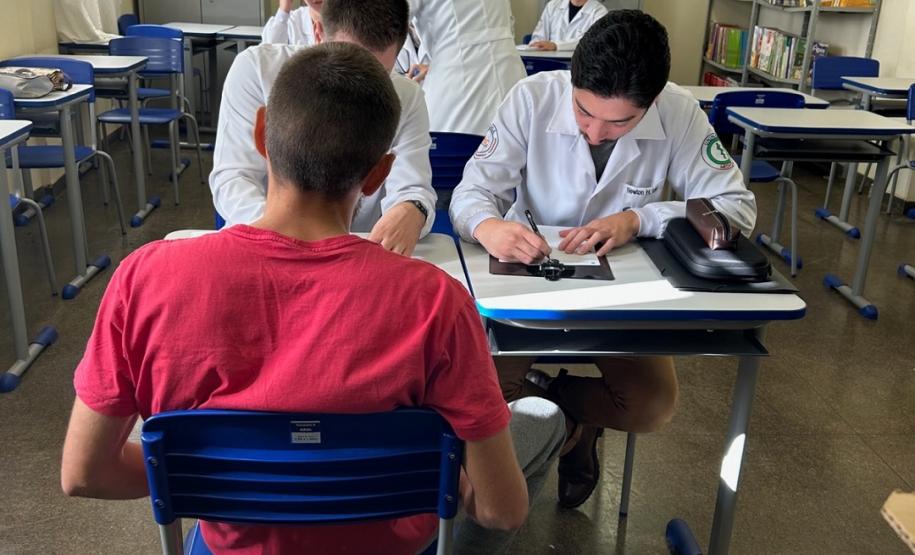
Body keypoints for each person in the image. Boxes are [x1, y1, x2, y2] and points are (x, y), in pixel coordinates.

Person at [61, 42, 565, 555]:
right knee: (544, 420)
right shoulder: (437, 302)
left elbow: (83, 472)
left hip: (232, 544)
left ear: (261, 136)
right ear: (379, 175)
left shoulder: (145, 279)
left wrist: (212, 474)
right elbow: (502, 510)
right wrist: (438, 475)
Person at [450, 10, 757, 509]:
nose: (594, 133)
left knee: (651, 406)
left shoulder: (679, 113)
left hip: (621, 299)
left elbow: (736, 207)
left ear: (652, 101)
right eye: (583, 112)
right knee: (483, 402)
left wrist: (639, 219)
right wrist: (489, 226)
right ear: (572, 81)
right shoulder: (531, 99)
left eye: (618, 123)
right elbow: (471, 193)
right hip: (529, 292)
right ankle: (561, 422)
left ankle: (570, 417)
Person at [213, 0, 435, 256]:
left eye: (379, 74)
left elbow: (413, 188)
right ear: (318, 33)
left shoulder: (407, 96)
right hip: (263, 248)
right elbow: (234, 179)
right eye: (346, 67)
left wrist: (412, 210)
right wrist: (290, 238)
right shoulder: (257, 71)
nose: (359, 92)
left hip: (354, 257)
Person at [407, 0, 527, 135]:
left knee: (448, 147)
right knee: (511, 142)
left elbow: (387, 25)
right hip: (508, 69)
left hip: (456, 84)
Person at [263, 0, 430, 85]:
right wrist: (284, 8)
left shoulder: (359, 19)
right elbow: (267, 56)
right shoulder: (291, 22)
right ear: (318, 32)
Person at [528, 0, 608, 52]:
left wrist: (555, 45)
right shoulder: (552, 6)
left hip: (580, 65)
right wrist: (537, 45)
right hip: (548, 62)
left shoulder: (599, 11)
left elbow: (591, 41)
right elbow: (538, 37)